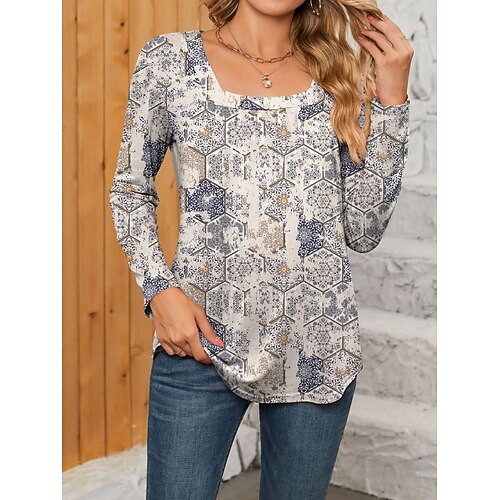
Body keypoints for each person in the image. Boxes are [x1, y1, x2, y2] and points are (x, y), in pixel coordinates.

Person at [108, 0, 413, 498]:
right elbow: (129, 189)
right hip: (200, 342)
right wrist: (160, 291)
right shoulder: (169, 61)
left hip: (317, 346)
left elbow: (363, 229)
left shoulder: (340, 73)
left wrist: (392, 97)